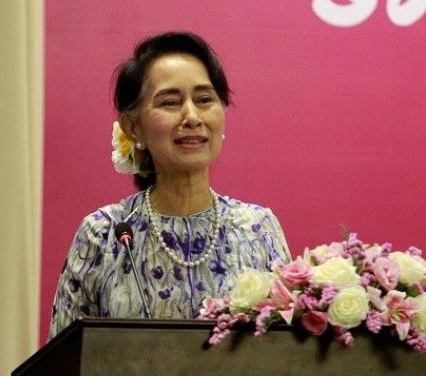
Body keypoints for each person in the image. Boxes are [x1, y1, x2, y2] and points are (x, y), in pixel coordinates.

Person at [48, 32, 291, 339]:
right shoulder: (105, 233)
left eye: (204, 100)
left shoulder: (258, 229)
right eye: (171, 102)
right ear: (133, 128)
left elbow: (287, 355)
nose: (192, 116)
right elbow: (63, 361)